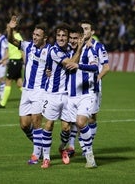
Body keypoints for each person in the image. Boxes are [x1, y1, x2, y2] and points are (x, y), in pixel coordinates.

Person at [7, 15, 51, 164]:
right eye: (33, 34)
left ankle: (35, 154)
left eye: (38, 35)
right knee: (24, 124)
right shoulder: (28, 46)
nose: (34, 37)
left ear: (45, 37)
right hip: (26, 90)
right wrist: (10, 29)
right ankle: (39, 145)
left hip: (40, 91)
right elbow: (10, 40)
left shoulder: (50, 51)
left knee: (36, 122)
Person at [40, 24, 84, 169]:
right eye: (59, 35)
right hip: (52, 94)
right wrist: (80, 48)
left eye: (64, 36)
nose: (61, 38)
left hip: (66, 95)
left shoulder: (71, 50)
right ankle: (46, 158)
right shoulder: (54, 50)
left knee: (66, 128)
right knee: (49, 124)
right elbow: (71, 64)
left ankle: (61, 148)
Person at [66, 20, 110, 157]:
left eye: (86, 28)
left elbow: (106, 67)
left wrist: (98, 77)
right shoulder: (73, 46)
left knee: (91, 118)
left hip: (92, 86)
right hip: (75, 87)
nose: (84, 31)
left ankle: (87, 144)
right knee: (76, 119)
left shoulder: (97, 47)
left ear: (92, 32)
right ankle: (73, 145)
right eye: (82, 29)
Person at [65, 25, 99, 168]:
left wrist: (79, 66)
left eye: (75, 38)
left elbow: (95, 67)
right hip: (69, 95)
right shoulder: (65, 50)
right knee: (67, 128)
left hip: (86, 93)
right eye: (71, 38)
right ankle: (73, 148)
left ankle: (89, 156)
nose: (72, 41)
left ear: (81, 38)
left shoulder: (89, 49)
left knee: (80, 122)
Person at [0, 25, 24, 109]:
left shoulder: (17, 37)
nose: (6, 29)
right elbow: (11, 52)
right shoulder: (12, 37)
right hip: (15, 62)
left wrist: (25, 63)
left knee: (8, 82)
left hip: (15, 62)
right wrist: (2, 60)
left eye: (8, 27)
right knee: (19, 84)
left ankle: (2, 103)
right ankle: (30, 101)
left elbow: (23, 50)